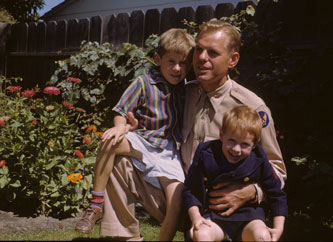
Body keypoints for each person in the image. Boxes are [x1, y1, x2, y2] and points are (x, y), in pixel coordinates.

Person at [100, 19, 287, 241]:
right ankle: (125, 238)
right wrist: (133, 128)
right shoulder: (181, 93)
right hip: (181, 196)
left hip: (227, 210)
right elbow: (157, 127)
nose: (201, 58)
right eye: (198, 49)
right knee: (118, 157)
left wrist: (251, 192)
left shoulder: (251, 107)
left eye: (213, 53)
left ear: (233, 60)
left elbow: (278, 170)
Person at [75, 28, 195, 241]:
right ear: (158, 59)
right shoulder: (143, 83)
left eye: (183, 63)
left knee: (176, 200)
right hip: (143, 140)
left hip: (169, 150)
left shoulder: (186, 88)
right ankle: (95, 205)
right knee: (110, 141)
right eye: (171, 62)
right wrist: (121, 127)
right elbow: (121, 111)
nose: (177, 69)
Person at [183, 105, 288, 241]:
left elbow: (277, 195)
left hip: (249, 219)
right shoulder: (206, 154)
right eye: (231, 141)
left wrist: (278, 228)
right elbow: (191, 190)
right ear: (221, 134)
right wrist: (196, 217)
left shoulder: (259, 159)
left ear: (255, 143)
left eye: (244, 144)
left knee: (262, 236)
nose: (236, 149)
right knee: (201, 234)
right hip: (215, 218)